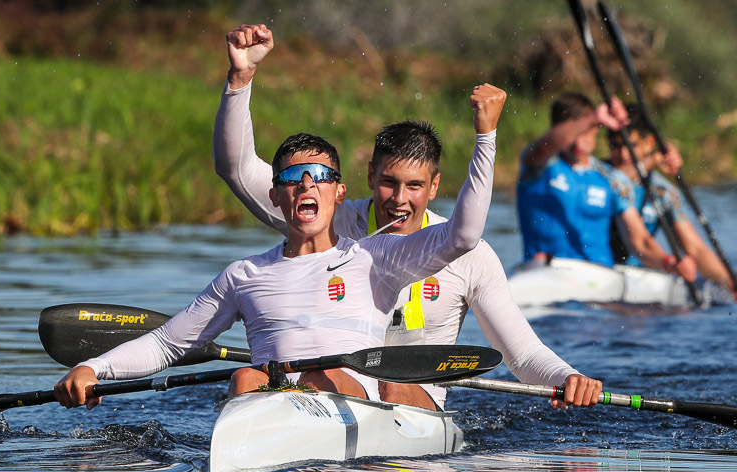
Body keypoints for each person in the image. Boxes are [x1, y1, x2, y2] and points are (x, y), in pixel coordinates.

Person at [54, 70, 514, 409]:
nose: (307, 185)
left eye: (320, 176)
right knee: (244, 379)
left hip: (354, 400)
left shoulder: (375, 255)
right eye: (294, 178)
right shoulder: (243, 275)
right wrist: (93, 368)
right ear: (276, 196)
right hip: (270, 404)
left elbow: (464, 234)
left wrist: (486, 137)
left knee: (327, 376)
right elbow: (166, 344)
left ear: (339, 192)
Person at [212, 23, 602, 411]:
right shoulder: (328, 223)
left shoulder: (470, 255)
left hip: (413, 406)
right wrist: (240, 79)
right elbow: (237, 170)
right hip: (322, 391)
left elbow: (522, 352)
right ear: (370, 177)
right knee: (248, 378)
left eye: (414, 186)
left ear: (434, 187)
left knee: (391, 386)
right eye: (388, 183)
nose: (399, 200)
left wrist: (567, 377)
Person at [517, 92, 696, 283]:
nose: (578, 142)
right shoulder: (537, 167)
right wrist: (592, 119)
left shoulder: (612, 179)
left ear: (596, 130)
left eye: (586, 132)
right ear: (556, 132)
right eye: (573, 132)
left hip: (600, 279)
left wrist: (669, 262)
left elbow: (640, 241)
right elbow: (543, 147)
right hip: (546, 274)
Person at [608, 106, 737, 299]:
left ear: (649, 143)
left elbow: (695, 249)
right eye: (616, 146)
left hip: (638, 275)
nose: (624, 154)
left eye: (631, 145)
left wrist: (730, 285)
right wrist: (653, 161)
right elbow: (615, 182)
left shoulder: (665, 192)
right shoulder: (598, 175)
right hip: (598, 268)